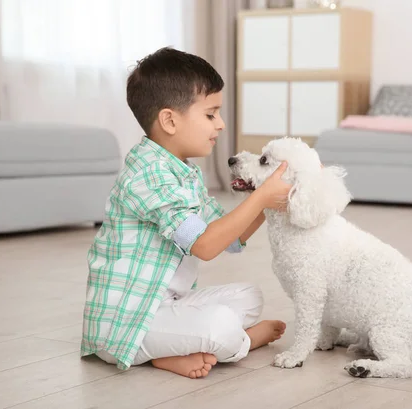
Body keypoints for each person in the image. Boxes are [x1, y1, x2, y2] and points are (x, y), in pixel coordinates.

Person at [80, 47, 290, 379]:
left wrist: (274, 200)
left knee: (249, 296)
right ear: (169, 120)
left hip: (164, 306)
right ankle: (240, 343)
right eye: (211, 114)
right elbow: (205, 246)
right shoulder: (149, 175)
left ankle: (174, 351)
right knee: (220, 323)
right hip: (127, 324)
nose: (220, 124)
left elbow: (229, 237)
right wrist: (261, 198)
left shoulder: (182, 172)